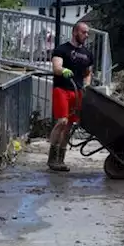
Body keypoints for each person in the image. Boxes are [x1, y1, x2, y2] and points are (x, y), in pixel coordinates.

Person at [48, 22, 93, 173]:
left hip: (78, 92)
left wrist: (86, 86)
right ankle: (52, 158)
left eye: (87, 33)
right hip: (62, 89)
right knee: (62, 121)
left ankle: (60, 160)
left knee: (69, 126)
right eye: (84, 32)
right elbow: (56, 67)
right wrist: (63, 70)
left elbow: (88, 73)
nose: (86, 35)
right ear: (75, 32)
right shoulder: (62, 49)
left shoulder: (87, 54)